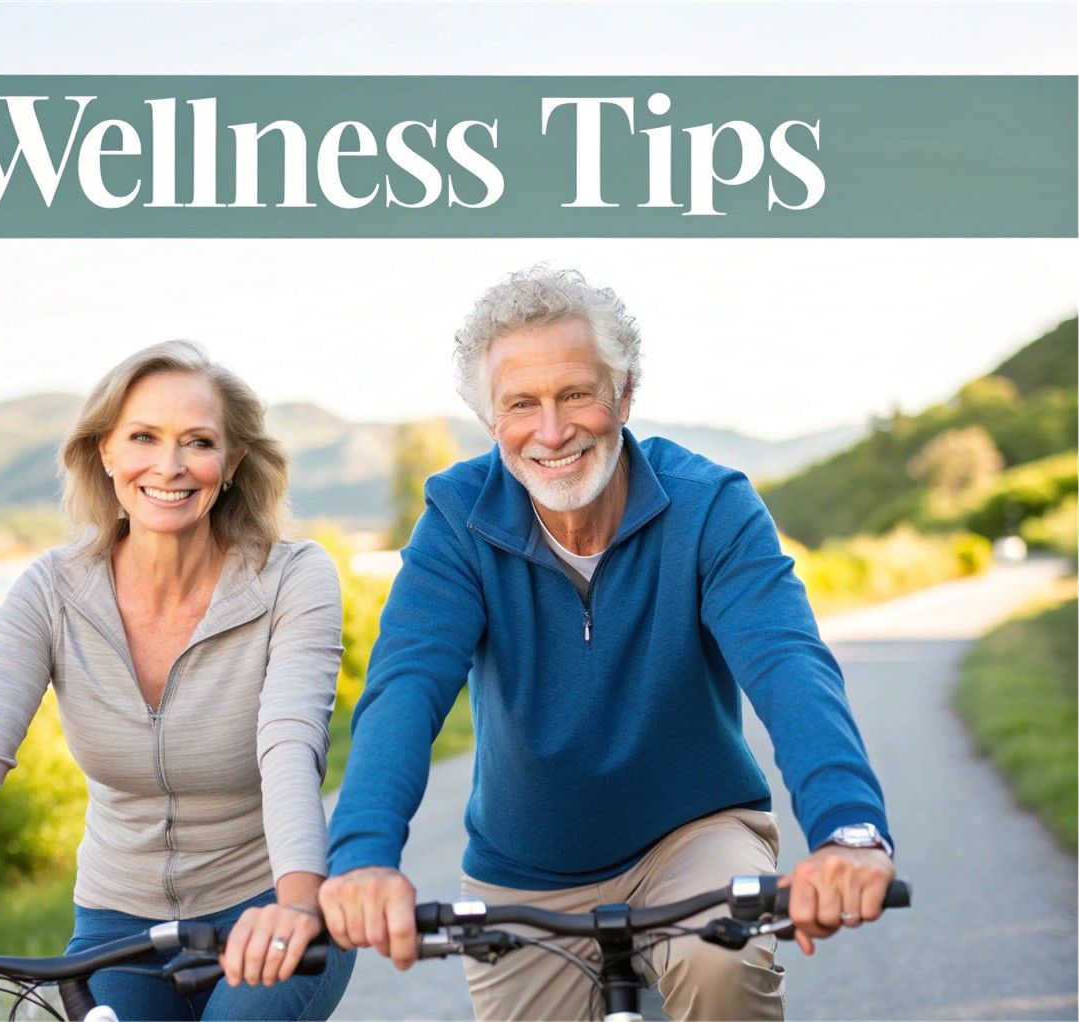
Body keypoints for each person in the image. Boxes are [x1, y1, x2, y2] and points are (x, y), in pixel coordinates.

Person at [319, 267, 895, 1021]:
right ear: (490, 419)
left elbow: (789, 664)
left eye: (576, 395)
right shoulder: (458, 520)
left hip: (693, 837)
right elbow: (405, 686)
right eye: (521, 404)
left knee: (720, 963)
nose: (552, 431)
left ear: (624, 395)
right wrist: (362, 856)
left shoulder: (711, 506)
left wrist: (850, 831)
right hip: (525, 869)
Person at [0, 340, 355, 1020]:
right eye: (144, 437)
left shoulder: (292, 578)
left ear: (233, 462)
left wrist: (298, 904)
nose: (170, 465)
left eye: (198, 441)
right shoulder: (52, 591)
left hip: (271, 901)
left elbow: (290, 744)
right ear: (105, 452)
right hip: (119, 926)